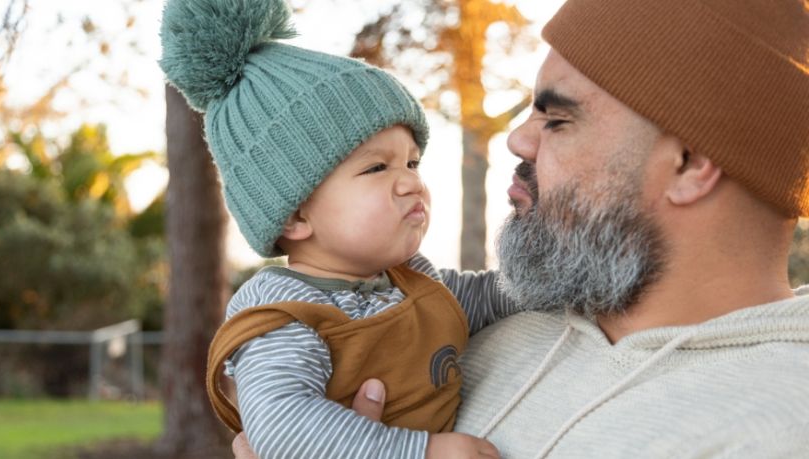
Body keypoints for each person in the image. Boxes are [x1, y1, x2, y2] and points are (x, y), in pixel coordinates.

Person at [226, 0, 809, 457]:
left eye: (556, 119)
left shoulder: (779, 426)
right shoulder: (472, 330)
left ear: (689, 163)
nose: (517, 139)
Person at [159, 0, 522, 458]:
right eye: (376, 168)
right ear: (294, 215)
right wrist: (423, 452)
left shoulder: (411, 279)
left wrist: (550, 282)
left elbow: (490, 296)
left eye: (412, 162)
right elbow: (284, 429)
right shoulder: (284, 315)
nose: (412, 181)